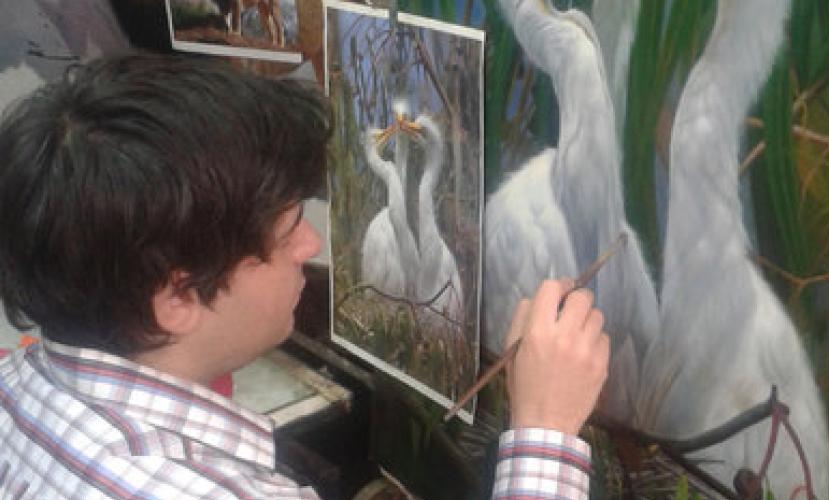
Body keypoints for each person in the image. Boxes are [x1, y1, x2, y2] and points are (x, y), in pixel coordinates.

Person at [0, 54, 609, 499]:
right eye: (290, 227)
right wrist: (546, 430)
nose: (312, 244)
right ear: (178, 296)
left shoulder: (18, 385)